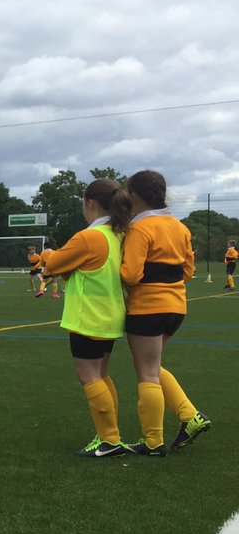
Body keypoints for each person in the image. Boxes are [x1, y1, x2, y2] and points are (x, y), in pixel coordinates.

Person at [120, 170, 211, 456]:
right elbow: (188, 271)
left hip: (147, 307)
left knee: (146, 371)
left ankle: (153, 442)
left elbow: (131, 274)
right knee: (151, 365)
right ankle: (189, 415)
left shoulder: (139, 228)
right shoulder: (180, 227)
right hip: (176, 307)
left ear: (133, 195)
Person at [39, 180, 132, 458]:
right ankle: (110, 435)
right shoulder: (118, 234)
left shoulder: (89, 237)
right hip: (111, 314)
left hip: (88, 316)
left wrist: (50, 256)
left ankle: (109, 439)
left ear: (89, 202)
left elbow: (52, 264)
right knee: (101, 374)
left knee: (89, 376)